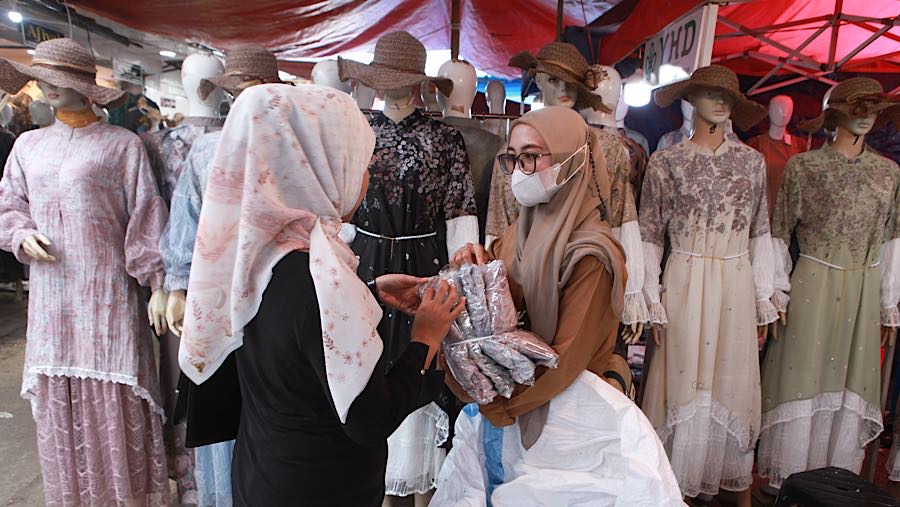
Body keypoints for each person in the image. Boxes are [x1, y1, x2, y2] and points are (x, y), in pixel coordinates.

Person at [175, 83, 465, 506]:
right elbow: (368, 418)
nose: (366, 179)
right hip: (320, 486)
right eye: (361, 164)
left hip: (263, 471)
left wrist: (367, 291)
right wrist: (425, 339)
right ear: (317, 168)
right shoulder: (322, 279)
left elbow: (291, 332)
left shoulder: (257, 253)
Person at [433, 106, 683, 506]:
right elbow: (500, 310)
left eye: (532, 155)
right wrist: (474, 266)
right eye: (512, 157)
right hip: (510, 412)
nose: (519, 169)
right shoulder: (518, 233)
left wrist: (497, 407)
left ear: (573, 158)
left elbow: (564, 361)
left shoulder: (592, 254)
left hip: (565, 424)